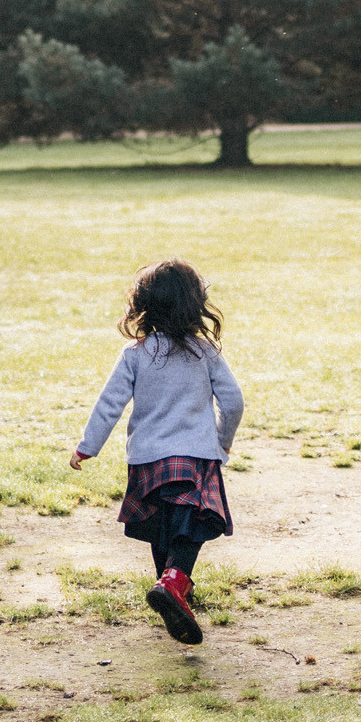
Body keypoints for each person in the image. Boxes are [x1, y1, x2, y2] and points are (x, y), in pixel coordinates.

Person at [69, 259, 243, 647]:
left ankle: (172, 590)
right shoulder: (205, 353)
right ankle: (175, 584)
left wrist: (88, 447)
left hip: (147, 459)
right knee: (193, 523)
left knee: (160, 523)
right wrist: (222, 439)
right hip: (196, 456)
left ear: (143, 306)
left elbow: (109, 404)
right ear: (195, 304)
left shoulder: (135, 353)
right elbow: (232, 401)